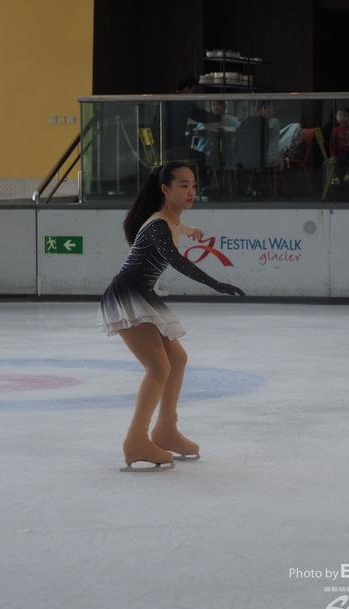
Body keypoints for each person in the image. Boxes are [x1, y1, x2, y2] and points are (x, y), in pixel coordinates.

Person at [97, 162, 245, 472]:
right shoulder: (158, 225)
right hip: (127, 295)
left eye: (193, 185)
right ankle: (135, 441)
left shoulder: (170, 221)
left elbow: (180, 227)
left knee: (177, 359)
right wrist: (215, 283)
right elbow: (176, 260)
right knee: (158, 366)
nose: (191, 191)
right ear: (165, 189)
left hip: (141, 293)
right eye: (183, 185)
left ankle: (165, 429)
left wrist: (192, 231)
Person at [151, 75, 221, 186]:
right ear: (186, 89)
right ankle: (204, 188)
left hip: (158, 150)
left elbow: (153, 126)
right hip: (173, 150)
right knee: (206, 159)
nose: (194, 95)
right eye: (193, 91)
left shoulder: (164, 101)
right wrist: (220, 117)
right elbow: (203, 116)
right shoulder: (182, 103)